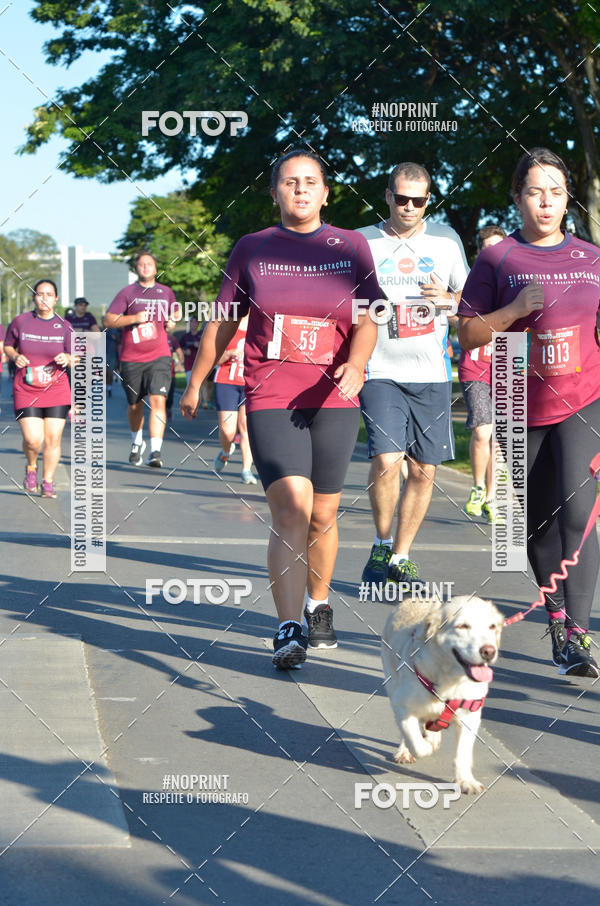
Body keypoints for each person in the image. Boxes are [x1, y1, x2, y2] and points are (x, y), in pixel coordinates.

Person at [181, 149, 382, 669]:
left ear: (326, 193)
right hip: (271, 394)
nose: (301, 190)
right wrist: (196, 382)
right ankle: (288, 627)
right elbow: (223, 321)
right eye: (290, 182)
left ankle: (319, 604)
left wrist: (357, 363)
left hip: (334, 396)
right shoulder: (253, 248)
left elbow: (370, 317)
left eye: (310, 182)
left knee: (323, 514)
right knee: (292, 506)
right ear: (274, 192)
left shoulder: (351, 246)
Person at [458, 147, 600, 678]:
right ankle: (558, 618)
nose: (546, 202)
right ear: (517, 197)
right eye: (535, 192)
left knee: (579, 514)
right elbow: (468, 333)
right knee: (539, 524)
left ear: (567, 200)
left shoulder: (591, 258)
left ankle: (580, 635)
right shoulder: (498, 259)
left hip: (585, 398)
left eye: (556, 192)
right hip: (520, 399)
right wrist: (513, 311)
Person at [358, 162, 469, 589]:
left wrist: (449, 299)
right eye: (401, 198)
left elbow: (471, 300)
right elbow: (341, 298)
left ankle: (401, 557)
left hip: (432, 373)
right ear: (387, 196)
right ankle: (381, 542)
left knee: (423, 471)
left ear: (428, 201)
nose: (408, 207)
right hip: (380, 369)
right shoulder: (362, 241)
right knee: (387, 461)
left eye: (417, 200)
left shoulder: (445, 240)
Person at [104, 251, 176, 468]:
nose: (145, 267)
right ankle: (137, 441)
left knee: (158, 400)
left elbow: (174, 314)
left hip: (159, 356)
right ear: (136, 268)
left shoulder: (166, 292)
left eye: (149, 264)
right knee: (135, 405)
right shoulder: (127, 293)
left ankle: (155, 451)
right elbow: (109, 320)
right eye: (142, 264)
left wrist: (172, 321)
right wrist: (134, 318)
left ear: (156, 268)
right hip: (131, 358)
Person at [4, 279, 73, 498]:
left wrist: (68, 358)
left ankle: (48, 481)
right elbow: (8, 346)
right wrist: (15, 356)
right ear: (34, 297)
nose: (44, 298)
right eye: (40, 294)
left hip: (56, 389)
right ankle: (31, 466)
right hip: (26, 388)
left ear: (56, 299)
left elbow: (78, 357)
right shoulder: (21, 322)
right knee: (33, 439)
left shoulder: (65, 326)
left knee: (52, 439)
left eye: (49, 294)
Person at [459, 225, 506, 523]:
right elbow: (456, 314)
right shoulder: (471, 282)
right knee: (482, 431)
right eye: (488, 249)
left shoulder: (517, 283)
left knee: (498, 439)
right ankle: (477, 487)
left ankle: (492, 497)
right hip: (475, 366)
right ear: (479, 252)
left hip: (507, 367)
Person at [212, 315, 257, 484]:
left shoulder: (260, 325)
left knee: (246, 427)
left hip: (250, 384)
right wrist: (230, 353)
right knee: (227, 431)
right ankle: (226, 451)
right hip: (226, 381)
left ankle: (246, 470)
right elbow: (214, 359)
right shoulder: (228, 324)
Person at [165, 319, 184, 421]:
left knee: (170, 396)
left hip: (170, 373)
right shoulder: (155, 339)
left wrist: (179, 364)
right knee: (159, 396)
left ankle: (168, 409)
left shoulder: (172, 339)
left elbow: (180, 354)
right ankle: (160, 413)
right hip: (157, 373)